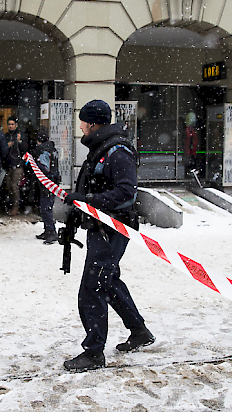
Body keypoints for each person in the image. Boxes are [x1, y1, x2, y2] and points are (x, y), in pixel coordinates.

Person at [62, 99, 154, 372]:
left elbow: (126, 193)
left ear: (92, 123)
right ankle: (139, 331)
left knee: (93, 287)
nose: (80, 127)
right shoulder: (101, 148)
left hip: (113, 229)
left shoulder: (118, 151)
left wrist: (89, 200)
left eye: (83, 122)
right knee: (109, 281)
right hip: (100, 228)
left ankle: (93, 353)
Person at [31, 132, 60, 244]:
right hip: (53, 181)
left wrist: (35, 166)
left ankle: (51, 232)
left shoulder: (43, 152)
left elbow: (44, 168)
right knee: (46, 206)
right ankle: (48, 230)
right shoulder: (52, 149)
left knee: (45, 207)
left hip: (47, 183)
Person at [4, 117, 28, 216]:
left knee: (14, 187)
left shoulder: (21, 135)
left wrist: (19, 142)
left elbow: (26, 149)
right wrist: (7, 146)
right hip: (8, 165)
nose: (10, 126)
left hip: (18, 164)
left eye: (12, 124)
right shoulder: (5, 136)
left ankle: (15, 207)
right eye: (9, 124)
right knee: (9, 186)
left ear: (16, 125)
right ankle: (12, 205)